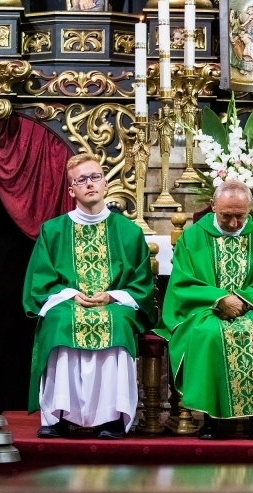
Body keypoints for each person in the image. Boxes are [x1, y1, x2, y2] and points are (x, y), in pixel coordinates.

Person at [23, 153, 155, 440]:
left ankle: (112, 418)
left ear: (106, 184)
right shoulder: (53, 230)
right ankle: (56, 416)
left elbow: (142, 283)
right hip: (68, 302)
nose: (89, 184)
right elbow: (40, 282)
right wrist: (69, 294)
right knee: (59, 321)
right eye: (81, 180)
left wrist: (113, 295)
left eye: (95, 177)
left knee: (118, 322)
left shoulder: (128, 232)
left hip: (114, 303)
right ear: (72, 190)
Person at [159, 180, 253, 440]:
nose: (233, 223)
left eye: (240, 216)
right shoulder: (193, 237)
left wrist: (243, 300)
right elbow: (183, 283)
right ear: (213, 207)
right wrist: (219, 299)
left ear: (250, 210)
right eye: (226, 215)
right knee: (208, 335)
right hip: (205, 310)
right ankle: (210, 419)